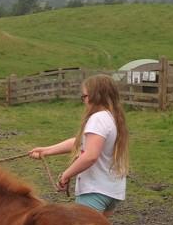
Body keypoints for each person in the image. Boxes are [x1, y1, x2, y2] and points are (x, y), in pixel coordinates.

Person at [29, 73, 129, 214]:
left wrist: (66, 175)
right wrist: (46, 150)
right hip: (112, 191)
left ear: (96, 96)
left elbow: (90, 156)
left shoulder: (98, 119)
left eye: (85, 96)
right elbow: (81, 142)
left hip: (95, 191)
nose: (84, 101)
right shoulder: (112, 118)